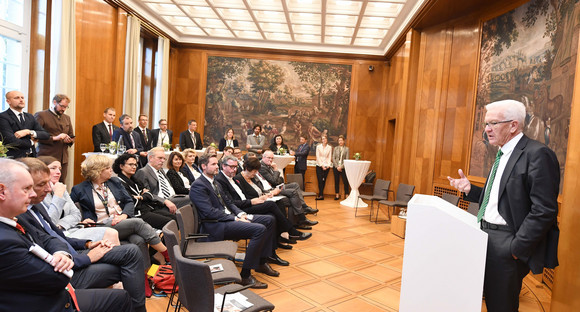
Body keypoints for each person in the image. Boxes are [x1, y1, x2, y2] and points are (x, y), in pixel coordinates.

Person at [447, 100, 559, 312]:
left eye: (493, 123)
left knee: (501, 306)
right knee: (491, 300)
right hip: (485, 237)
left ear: (513, 125)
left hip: (506, 244)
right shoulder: (502, 154)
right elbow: (499, 200)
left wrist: (516, 249)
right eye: (486, 124)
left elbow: (544, 210)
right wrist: (471, 190)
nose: (486, 129)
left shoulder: (537, 154)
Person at [0, 159, 133, 312]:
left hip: (63, 263)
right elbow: (57, 278)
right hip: (50, 299)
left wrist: (62, 253)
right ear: (2, 191)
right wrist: (81, 257)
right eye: (26, 188)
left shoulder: (13, 219)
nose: (32, 195)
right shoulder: (6, 239)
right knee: (121, 294)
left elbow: (49, 236)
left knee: (132, 247)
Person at [189, 153, 278, 289]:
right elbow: (209, 212)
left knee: (269, 220)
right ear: (203, 166)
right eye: (213, 164)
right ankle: (245, 276)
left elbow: (229, 203)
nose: (216, 167)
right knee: (259, 229)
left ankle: (261, 262)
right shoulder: (198, 185)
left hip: (228, 218)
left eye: (216, 164)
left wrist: (242, 214)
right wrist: (235, 218)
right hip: (216, 225)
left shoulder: (215, 181)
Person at [70, 154, 171, 269]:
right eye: (108, 168)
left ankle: (145, 276)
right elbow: (70, 211)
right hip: (102, 225)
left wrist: (124, 215)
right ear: (98, 171)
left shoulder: (114, 182)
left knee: (139, 240)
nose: (111, 170)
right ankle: (168, 254)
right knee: (137, 222)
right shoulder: (79, 189)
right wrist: (82, 220)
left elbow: (129, 201)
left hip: (121, 221)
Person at [37, 156, 119, 244]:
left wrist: (60, 225)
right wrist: (58, 196)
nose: (58, 172)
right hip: (56, 236)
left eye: (60, 169)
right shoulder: (38, 194)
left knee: (113, 234)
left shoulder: (60, 187)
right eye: (53, 168)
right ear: (41, 172)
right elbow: (49, 223)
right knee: (112, 234)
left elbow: (76, 214)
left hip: (70, 229)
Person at [113, 154, 175, 230]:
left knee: (175, 218)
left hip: (148, 208)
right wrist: (143, 195)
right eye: (130, 164)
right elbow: (131, 201)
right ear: (121, 166)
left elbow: (149, 195)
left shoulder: (135, 180)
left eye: (135, 164)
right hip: (138, 213)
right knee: (170, 223)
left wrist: (141, 197)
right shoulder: (119, 182)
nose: (134, 167)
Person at [35, 94, 75, 181]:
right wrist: (56, 138)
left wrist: (69, 140)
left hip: (62, 159)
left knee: (61, 183)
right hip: (46, 157)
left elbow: (72, 136)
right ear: (54, 102)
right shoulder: (41, 115)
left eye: (66, 107)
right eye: (62, 106)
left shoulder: (67, 118)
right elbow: (36, 136)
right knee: (44, 183)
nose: (63, 109)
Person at [0, 91, 50, 158]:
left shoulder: (29, 116)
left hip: (32, 157)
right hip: (14, 159)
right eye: (17, 98)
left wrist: (29, 132)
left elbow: (46, 135)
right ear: (8, 101)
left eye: (22, 98)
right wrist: (31, 142)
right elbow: (10, 140)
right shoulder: (3, 117)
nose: (21, 100)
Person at [332, 135, 350, 200]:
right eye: (339, 140)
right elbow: (333, 158)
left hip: (343, 168)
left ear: (344, 141)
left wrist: (341, 167)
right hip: (336, 167)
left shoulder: (347, 149)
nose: (340, 142)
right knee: (336, 181)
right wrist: (337, 166)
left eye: (341, 140)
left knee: (345, 181)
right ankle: (337, 195)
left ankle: (347, 195)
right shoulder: (335, 148)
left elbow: (347, 159)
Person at [315, 135, 332, 200]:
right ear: (321, 140)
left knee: (324, 180)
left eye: (325, 139)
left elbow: (329, 157)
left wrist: (328, 165)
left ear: (327, 140)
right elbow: (318, 157)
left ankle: (321, 195)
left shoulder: (329, 147)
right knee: (319, 180)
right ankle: (321, 194)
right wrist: (322, 165)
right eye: (322, 139)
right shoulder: (318, 147)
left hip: (327, 166)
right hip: (319, 165)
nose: (324, 140)